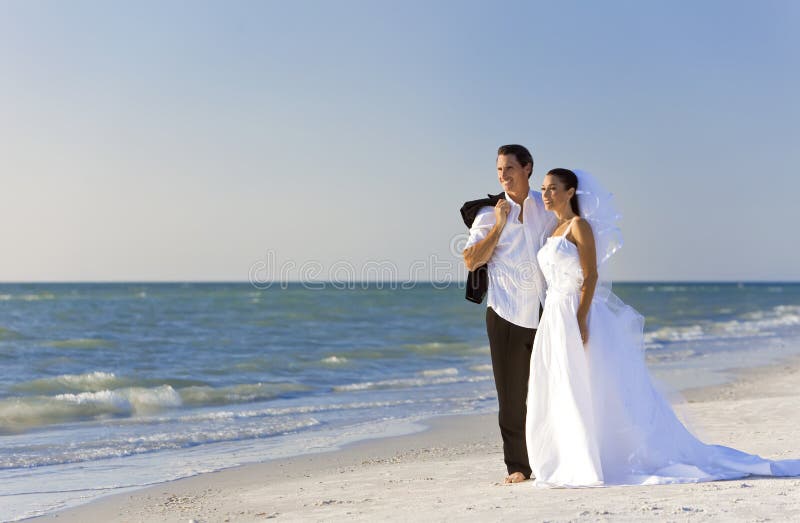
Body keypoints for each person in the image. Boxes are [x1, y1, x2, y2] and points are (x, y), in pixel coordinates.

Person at [525, 168, 800, 487]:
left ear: (570, 192)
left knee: (587, 383)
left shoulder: (578, 226)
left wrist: (581, 319)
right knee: (561, 383)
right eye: (543, 189)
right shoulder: (553, 231)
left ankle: (593, 458)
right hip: (554, 316)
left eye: (552, 188)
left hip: (575, 313)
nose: (545, 194)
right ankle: (567, 455)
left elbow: (590, 276)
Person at [462, 145, 555, 483]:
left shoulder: (546, 212)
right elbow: (472, 260)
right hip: (504, 313)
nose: (503, 175)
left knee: (549, 389)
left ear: (528, 168)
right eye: (499, 169)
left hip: (545, 311)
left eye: (509, 168)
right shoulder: (488, 214)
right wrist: (499, 226)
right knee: (511, 396)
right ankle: (517, 465)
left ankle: (549, 456)